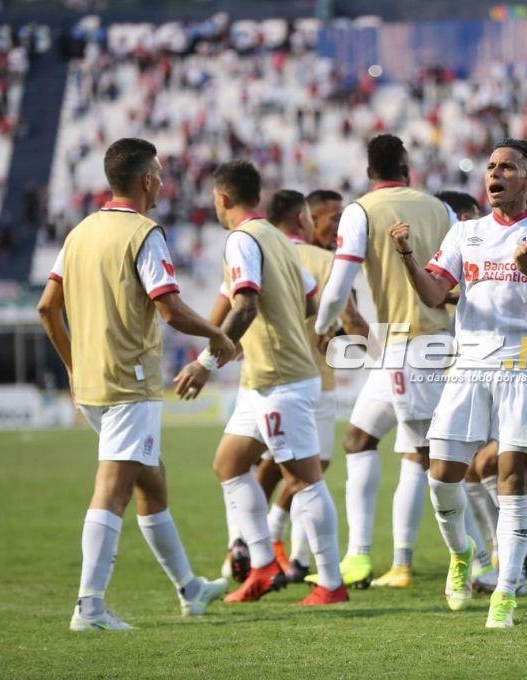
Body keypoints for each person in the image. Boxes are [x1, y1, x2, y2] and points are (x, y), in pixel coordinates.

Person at [37, 137, 234, 631]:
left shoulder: (78, 233)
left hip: (93, 383)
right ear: (146, 180)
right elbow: (169, 309)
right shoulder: (144, 233)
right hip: (131, 381)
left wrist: (72, 366)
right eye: (161, 174)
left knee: (152, 480)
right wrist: (217, 335)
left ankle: (191, 589)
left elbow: (47, 307)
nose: (165, 181)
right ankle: (89, 606)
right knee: (114, 490)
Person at [391, 138, 527, 628]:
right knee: (441, 477)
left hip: (526, 362)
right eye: (491, 166)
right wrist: (408, 256)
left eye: (507, 167)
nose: (495, 174)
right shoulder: (464, 233)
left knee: (514, 480)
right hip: (469, 362)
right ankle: (463, 551)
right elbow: (433, 294)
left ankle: (506, 594)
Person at [174, 160, 347, 605]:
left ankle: (330, 583)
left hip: (281, 378)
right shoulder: (276, 238)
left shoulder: (242, 239)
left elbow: (246, 306)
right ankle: (264, 565)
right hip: (265, 378)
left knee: (304, 479)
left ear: (222, 198)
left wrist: (205, 363)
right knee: (229, 465)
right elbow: (310, 302)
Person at [314, 134, 453, 589]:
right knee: (358, 439)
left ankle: (441, 559)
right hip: (418, 344)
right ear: (407, 167)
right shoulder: (439, 208)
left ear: (369, 170)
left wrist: (322, 327)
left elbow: (337, 286)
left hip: (412, 346)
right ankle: (359, 556)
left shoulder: (360, 211)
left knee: (427, 456)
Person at [251, 190, 368, 582]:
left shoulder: (263, 252)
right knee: (308, 469)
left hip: (263, 377)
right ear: (307, 218)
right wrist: (377, 351)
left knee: (282, 468)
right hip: (308, 380)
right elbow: (351, 324)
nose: (338, 226)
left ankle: (284, 554)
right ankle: (272, 547)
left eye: (341, 218)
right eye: (330, 218)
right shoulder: (324, 262)